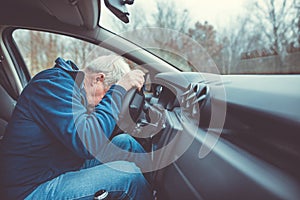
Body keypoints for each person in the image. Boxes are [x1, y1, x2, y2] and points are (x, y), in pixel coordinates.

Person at [0, 55, 153, 199]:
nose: (103, 103)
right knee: (128, 175)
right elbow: (88, 143)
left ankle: (155, 190)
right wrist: (119, 89)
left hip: (59, 167)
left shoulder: (71, 90)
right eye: (106, 94)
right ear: (98, 79)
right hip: (29, 190)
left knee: (125, 143)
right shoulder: (53, 85)